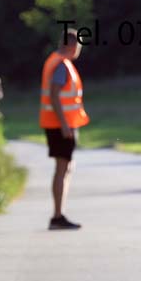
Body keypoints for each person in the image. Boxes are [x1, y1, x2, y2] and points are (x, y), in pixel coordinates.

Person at [40, 28, 90, 230]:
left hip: (60, 123)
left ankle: (58, 214)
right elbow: (54, 96)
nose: (79, 48)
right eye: (78, 44)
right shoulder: (61, 65)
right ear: (70, 44)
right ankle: (57, 216)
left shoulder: (59, 62)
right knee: (62, 168)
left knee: (65, 167)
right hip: (61, 125)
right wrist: (63, 124)